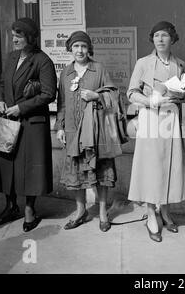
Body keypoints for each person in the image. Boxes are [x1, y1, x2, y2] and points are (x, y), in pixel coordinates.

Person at [127, 21, 185, 242]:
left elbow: (183, 92)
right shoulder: (143, 63)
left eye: (165, 35)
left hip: (171, 118)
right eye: (156, 36)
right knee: (152, 166)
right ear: (152, 39)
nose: (160, 39)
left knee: (170, 165)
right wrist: (151, 100)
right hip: (151, 118)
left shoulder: (180, 64)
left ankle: (165, 211)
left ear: (172, 38)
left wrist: (177, 96)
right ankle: (151, 213)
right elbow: (131, 93)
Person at [0, 17, 57, 232]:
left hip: (31, 122)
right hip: (8, 121)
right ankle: (10, 206)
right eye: (13, 36)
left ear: (29, 37)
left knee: (30, 168)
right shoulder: (11, 58)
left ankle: (29, 209)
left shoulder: (42, 60)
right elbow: (1, 83)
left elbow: (48, 94)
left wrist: (21, 108)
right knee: (6, 164)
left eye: (18, 36)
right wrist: (0, 100)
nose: (14, 40)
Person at [55, 31, 121, 232]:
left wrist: (96, 96)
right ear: (70, 49)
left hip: (96, 130)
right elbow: (62, 104)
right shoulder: (66, 73)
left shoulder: (98, 69)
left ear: (89, 49)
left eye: (83, 46)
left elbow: (114, 94)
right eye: (76, 46)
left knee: (100, 170)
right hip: (73, 131)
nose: (80, 50)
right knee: (76, 172)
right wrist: (60, 127)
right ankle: (80, 211)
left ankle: (102, 212)